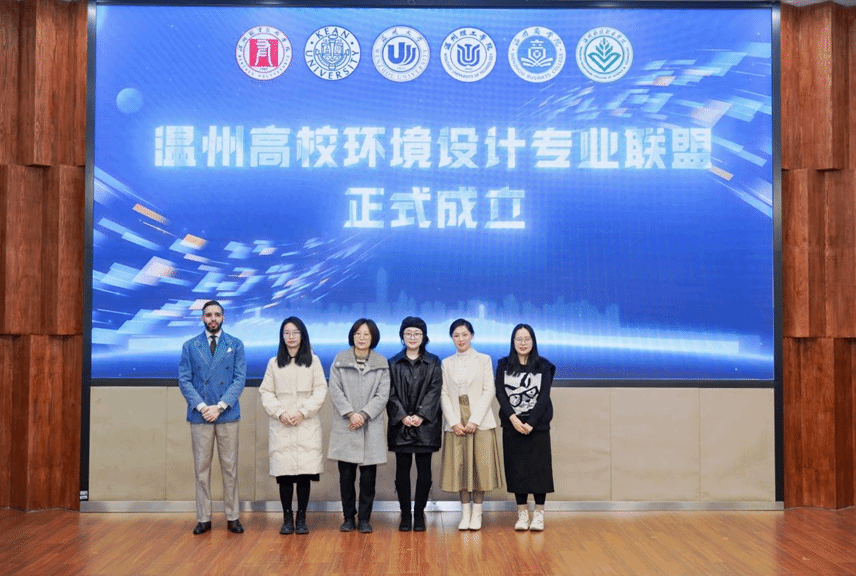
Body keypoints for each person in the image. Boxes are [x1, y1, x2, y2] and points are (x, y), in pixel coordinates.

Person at [178, 300, 247, 535]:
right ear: (202, 318)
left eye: (217, 314)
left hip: (227, 414)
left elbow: (239, 379)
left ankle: (233, 517)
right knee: (201, 470)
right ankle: (203, 518)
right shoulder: (190, 346)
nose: (213, 319)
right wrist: (202, 407)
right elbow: (184, 380)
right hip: (200, 416)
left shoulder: (235, 344)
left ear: (223, 317)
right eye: (209, 315)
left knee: (230, 468)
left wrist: (219, 406)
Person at [259, 317, 327, 535]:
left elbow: (320, 390)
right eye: (286, 333)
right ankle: (287, 517)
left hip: (306, 423)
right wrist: (280, 413)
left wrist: (303, 412)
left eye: (295, 332)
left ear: (302, 335)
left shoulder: (313, 361)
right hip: (282, 424)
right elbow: (266, 392)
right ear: (282, 336)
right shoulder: (273, 363)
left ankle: (302, 518)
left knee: (305, 475)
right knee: (285, 475)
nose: (291, 337)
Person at [439, 318, 503, 531]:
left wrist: (474, 420)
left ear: (472, 336)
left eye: (464, 334)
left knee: (479, 468)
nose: (460, 339)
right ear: (452, 338)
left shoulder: (484, 359)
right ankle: (464, 513)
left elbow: (489, 390)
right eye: (456, 335)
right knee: (460, 467)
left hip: (480, 419)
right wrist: (453, 422)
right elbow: (443, 393)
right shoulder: (446, 363)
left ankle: (477, 513)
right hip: (456, 419)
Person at [328, 318, 390, 534]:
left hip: (369, 426)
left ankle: (364, 518)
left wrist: (363, 414)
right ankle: (348, 517)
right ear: (352, 335)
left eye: (366, 334)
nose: (362, 338)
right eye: (358, 334)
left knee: (368, 479)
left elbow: (383, 394)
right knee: (346, 478)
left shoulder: (381, 362)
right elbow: (335, 389)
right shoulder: (340, 360)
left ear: (373, 338)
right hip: (346, 425)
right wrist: (350, 413)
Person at [495, 323, 555, 531]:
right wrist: (513, 418)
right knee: (516, 469)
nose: (523, 343)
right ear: (513, 341)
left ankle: (538, 514)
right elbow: (500, 393)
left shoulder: (544, 366)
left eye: (527, 339)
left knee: (539, 470)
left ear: (533, 341)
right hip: (512, 425)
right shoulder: (503, 365)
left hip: (537, 426)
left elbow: (544, 397)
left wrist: (531, 423)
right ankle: (522, 513)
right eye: (519, 339)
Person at [387, 316, 443, 532]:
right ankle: (405, 514)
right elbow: (389, 393)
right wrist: (402, 416)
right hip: (400, 425)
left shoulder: (434, 362)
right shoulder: (393, 363)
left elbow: (435, 390)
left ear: (424, 336)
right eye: (408, 333)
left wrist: (421, 415)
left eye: (417, 333)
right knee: (402, 472)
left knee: (424, 472)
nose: (412, 337)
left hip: (426, 425)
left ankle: (419, 514)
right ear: (402, 336)